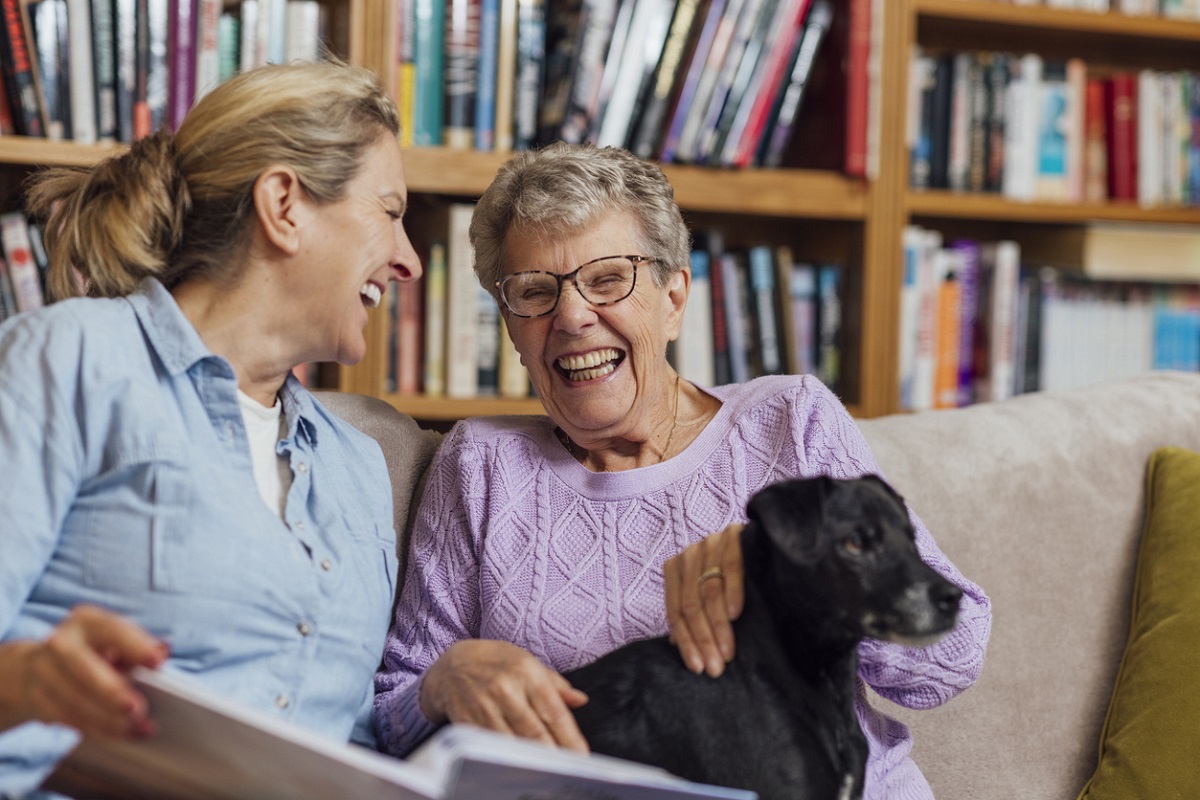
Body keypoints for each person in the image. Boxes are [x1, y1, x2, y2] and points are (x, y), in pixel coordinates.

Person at [374, 142, 991, 799]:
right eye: (535, 292)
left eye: (607, 278)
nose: (573, 316)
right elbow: (390, 718)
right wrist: (445, 682)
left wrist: (789, 576)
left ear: (674, 299)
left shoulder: (790, 421)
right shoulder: (480, 465)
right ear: (512, 328)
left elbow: (949, 662)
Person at [0, 60, 426, 797]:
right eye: (390, 213)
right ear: (284, 204)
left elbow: (351, 742)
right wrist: (24, 681)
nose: (409, 260)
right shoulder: (72, 358)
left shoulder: (359, 467)